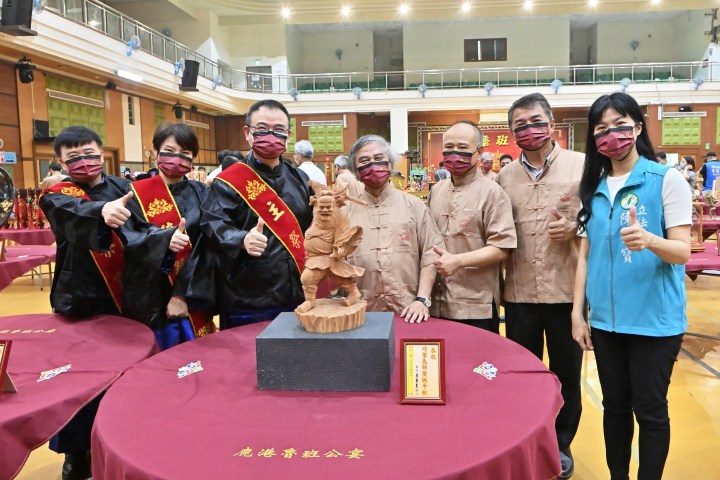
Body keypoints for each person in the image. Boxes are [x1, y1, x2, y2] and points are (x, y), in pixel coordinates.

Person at [39, 125, 184, 480]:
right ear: (60, 161)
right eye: (74, 158)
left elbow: (142, 230)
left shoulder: (126, 188)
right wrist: (101, 213)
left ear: (101, 153)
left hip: (129, 298)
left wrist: (167, 240)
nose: (85, 163)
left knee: (129, 379)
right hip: (82, 302)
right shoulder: (55, 195)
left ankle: (129, 439)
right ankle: (77, 452)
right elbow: (71, 216)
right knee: (81, 383)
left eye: (90, 154)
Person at [572, 92, 691, 480]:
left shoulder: (665, 180)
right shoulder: (594, 187)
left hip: (654, 323)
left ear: (637, 128)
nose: (612, 135)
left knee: (651, 410)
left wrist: (650, 240)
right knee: (615, 408)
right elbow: (584, 257)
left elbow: (682, 252)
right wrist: (578, 313)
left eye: (620, 126)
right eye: (602, 129)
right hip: (607, 324)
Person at [496, 93, 585, 479]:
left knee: (566, 374)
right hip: (518, 294)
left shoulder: (582, 166)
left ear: (551, 122)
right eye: (520, 125)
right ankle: (523, 438)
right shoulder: (503, 177)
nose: (529, 130)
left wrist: (576, 227)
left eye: (536, 121)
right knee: (522, 373)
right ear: (512, 132)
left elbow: (604, 221)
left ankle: (559, 444)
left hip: (567, 292)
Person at [194, 99, 313, 329]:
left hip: (299, 295)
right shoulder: (228, 181)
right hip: (248, 300)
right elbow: (211, 224)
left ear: (288, 135)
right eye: (262, 129)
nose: (271, 135)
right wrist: (241, 239)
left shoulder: (298, 178)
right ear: (247, 133)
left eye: (279, 130)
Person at [123, 122, 216, 349]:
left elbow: (208, 247)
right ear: (155, 151)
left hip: (192, 296)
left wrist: (182, 295)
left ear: (193, 157)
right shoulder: (133, 194)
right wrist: (163, 239)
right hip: (149, 297)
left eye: (184, 153)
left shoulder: (204, 193)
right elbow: (130, 240)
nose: (176, 159)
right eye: (169, 151)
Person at [427, 121, 517, 333]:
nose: (454, 154)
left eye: (463, 148)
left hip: (476, 305)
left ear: (479, 151)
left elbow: (502, 247)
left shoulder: (493, 193)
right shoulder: (437, 190)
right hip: (437, 303)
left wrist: (459, 261)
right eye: (448, 148)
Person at [344, 135, 443, 323]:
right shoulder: (344, 212)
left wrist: (422, 299)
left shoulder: (414, 205)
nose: (373, 165)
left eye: (379, 158)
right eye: (364, 161)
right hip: (361, 313)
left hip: (409, 311)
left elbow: (432, 252)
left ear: (390, 164)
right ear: (355, 171)